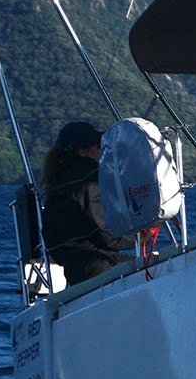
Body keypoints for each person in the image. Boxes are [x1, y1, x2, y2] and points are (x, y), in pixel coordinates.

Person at [39, 120, 131, 285]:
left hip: (76, 270)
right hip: (99, 267)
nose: (101, 149)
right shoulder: (88, 181)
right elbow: (107, 233)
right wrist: (140, 235)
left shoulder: (57, 182)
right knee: (158, 267)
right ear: (83, 151)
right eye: (97, 144)